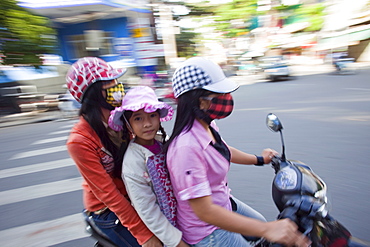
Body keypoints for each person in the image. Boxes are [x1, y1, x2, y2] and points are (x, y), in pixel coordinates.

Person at [164, 57, 311, 247]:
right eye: (219, 93)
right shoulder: (186, 148)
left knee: (261, 224)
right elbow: (204, 211)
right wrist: (267, 229)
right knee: (266, 230)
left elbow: (223, 150)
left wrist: (260, 159)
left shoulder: (207, 125)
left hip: (224, 202)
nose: (226, 97)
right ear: (199, 101)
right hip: (208, 231)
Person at [66, 57, 162, 247]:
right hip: (108, 210)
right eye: (111, 85)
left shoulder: (121, 116)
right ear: (94, 95)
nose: (118, 88)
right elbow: (108, 194)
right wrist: (144, 235)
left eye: (117, 83)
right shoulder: (80, 141)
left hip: (137, 194)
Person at [108, 86, 188, 247]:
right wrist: (176, 242)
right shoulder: (133, 164)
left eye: (152, 115)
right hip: (167, 231)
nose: (147, 124)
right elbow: (148, 210)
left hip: (185, 218)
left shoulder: (162, 144)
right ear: (127, 123)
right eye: (138, 118)